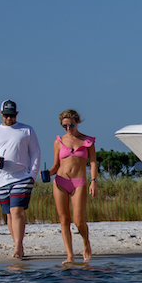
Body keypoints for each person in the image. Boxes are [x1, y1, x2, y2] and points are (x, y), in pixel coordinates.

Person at [0, 99, 41, 259]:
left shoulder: (26, 130)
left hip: (22, 177)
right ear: (1, 114)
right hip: (1, 179)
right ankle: (18, 244)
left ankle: (17, 248)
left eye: (12, 115)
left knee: (17, 211)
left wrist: (32, 175)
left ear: (17, 114)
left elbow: (35, 152)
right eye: (6, 115)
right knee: (9, 214)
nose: (9, 118)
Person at [48, 109, 98, 263]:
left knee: (78, 220)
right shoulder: (58, 142)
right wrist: (47, 173)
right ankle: (69, 255)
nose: (68, 128)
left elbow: (93, 162)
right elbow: (56, 165)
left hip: (79, 182)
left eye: (71, 125)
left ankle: (86, 242)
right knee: (64, 219)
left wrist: (93, 181)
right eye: (65, 126)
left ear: (77, 123)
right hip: (61, 181)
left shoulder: (87, 141)